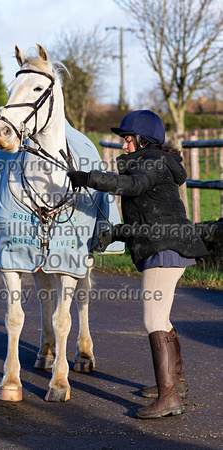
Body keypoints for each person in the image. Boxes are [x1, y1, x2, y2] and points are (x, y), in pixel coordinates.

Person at [68, 110, 208, 419]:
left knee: (153, 321)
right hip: (168, 245)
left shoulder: (152, 163)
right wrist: (114, 233)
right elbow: (148, 218)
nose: (124, 145)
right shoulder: (153, 163)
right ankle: (176, 384)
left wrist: (88, 178)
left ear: (144, 140)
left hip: (165, 249)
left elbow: (131, 187)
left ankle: (170, 397)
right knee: (162, 319)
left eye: (129, 139)